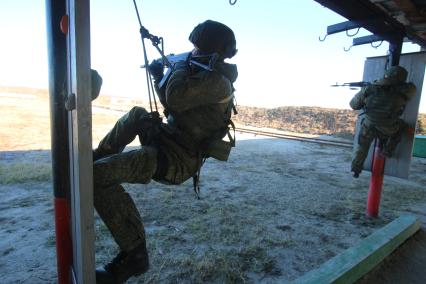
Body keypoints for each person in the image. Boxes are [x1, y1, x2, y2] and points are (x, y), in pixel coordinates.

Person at [93, 20, 238, 283]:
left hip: (177, 161)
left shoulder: (219, 83)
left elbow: (176, 98)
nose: (192, 52)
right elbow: (174, 106)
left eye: (196, 48)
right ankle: (98, 156)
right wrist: (159, 75)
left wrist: (177, 66)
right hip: (168, 142)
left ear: (213, 52)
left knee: (94, 178)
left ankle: (134, 256)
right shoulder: (202, 74)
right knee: (137, 115)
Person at [349, 65, 416, 178]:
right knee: (402, 127)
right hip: (388, 127)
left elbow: (353, 105)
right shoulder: (405, 90)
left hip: (369, 124)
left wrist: (369, 87)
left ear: (386, 74)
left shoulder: (369, 88)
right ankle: (387, 151)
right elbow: (412, 88)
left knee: (363, 146)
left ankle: (356, 169)